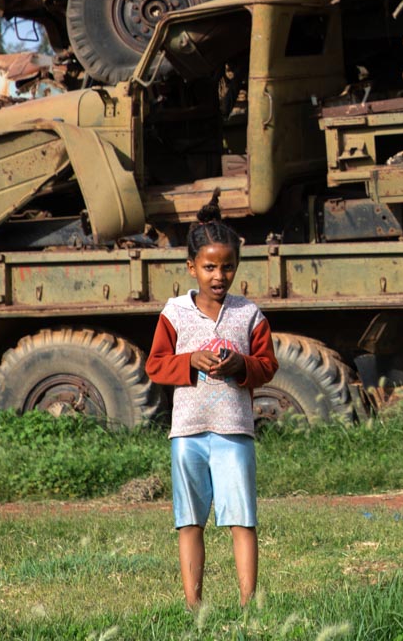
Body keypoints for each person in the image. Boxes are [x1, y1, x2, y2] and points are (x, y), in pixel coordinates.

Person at [145, 219, 278, 610]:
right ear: (191, 267)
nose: (219, 276)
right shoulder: (174, 313)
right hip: (187, 434)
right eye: (209, 267)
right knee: (189, 521)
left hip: (234, 431)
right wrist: (189, 360)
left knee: (243, 520)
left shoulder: (249, 313)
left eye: (228, 267)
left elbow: (267, 365)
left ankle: (249, 603)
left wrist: (241, 365)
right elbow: (156, 365)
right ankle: (194, 606)